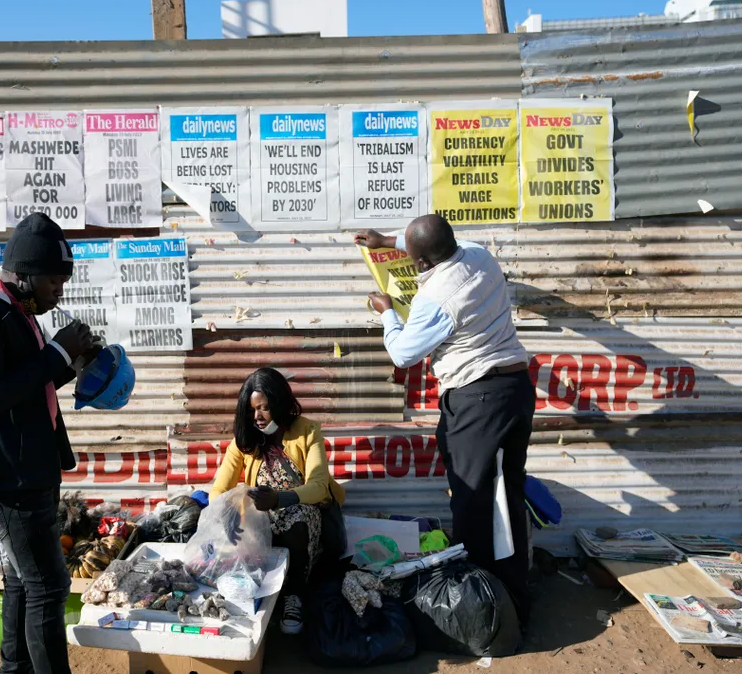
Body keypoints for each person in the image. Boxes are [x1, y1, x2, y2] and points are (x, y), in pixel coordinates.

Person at [355, 215, 535, 623]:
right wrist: (387, 240)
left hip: (479, 400)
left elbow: (403, 354)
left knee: (472, 501)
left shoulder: (434, 299)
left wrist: (386, 312)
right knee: (507, 495)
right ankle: (513, 593)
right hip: (516, 391)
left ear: (420, 264)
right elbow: (436, 245)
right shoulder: (480, 256)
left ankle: (480, 608)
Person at [0, 212, 99, 674]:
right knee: (49, 585)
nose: (60, 290)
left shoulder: (16, 310)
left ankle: (15, 668)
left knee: (20, 580)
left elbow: (29, 387)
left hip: (32, 466)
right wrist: (56, 353)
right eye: (54, 280)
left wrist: (74, 360)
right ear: (26, 273)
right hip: (10, 475)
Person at [209, 367, 346, 635]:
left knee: (297, 516)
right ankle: (256, 596)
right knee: (236, 519)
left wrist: (279, 499)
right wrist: (226, 510)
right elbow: (218, 490)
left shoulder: (307, 432)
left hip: (305, 523)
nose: (257, 417)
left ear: (280, 404)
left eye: (264, 408)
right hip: (264, 523)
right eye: (251, 410)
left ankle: (293, 596)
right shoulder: (245, 441)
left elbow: (319, 487)